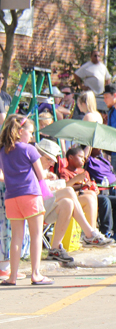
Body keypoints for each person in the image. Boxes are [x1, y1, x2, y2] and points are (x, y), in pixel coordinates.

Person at [35, 140, 113, 259]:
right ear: (39, 155)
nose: (51, 163)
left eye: (53, 160)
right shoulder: (33, 167)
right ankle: (89, 233)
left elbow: (48, 189)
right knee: (69, 191)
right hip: (35, 205)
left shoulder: (45, 170)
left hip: (45, 205)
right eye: (48, 159)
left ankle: (55, 249)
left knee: (68, 203)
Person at [0, 115, 52, 285]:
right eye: (30, 132)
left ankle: (12, 276)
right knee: (36, 235)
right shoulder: (29, 149)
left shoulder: (3, 151)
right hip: (30, 195)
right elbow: (40, 174)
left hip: (11, 197)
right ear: (21, 131)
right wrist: (48, 174)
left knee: (16, 237)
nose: (32, 136)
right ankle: (35, 274)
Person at [60, 145, 116, 241]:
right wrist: (79, 183)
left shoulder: (84, 172)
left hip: (91, 195)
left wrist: (94, 188)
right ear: (71, 157)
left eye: (83, 158)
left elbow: (90, 184)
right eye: (80, 157)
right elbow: (64, 187)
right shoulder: (65, 171)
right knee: (104, 200)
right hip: (78, 197)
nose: (83, 160)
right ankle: (106, 232)